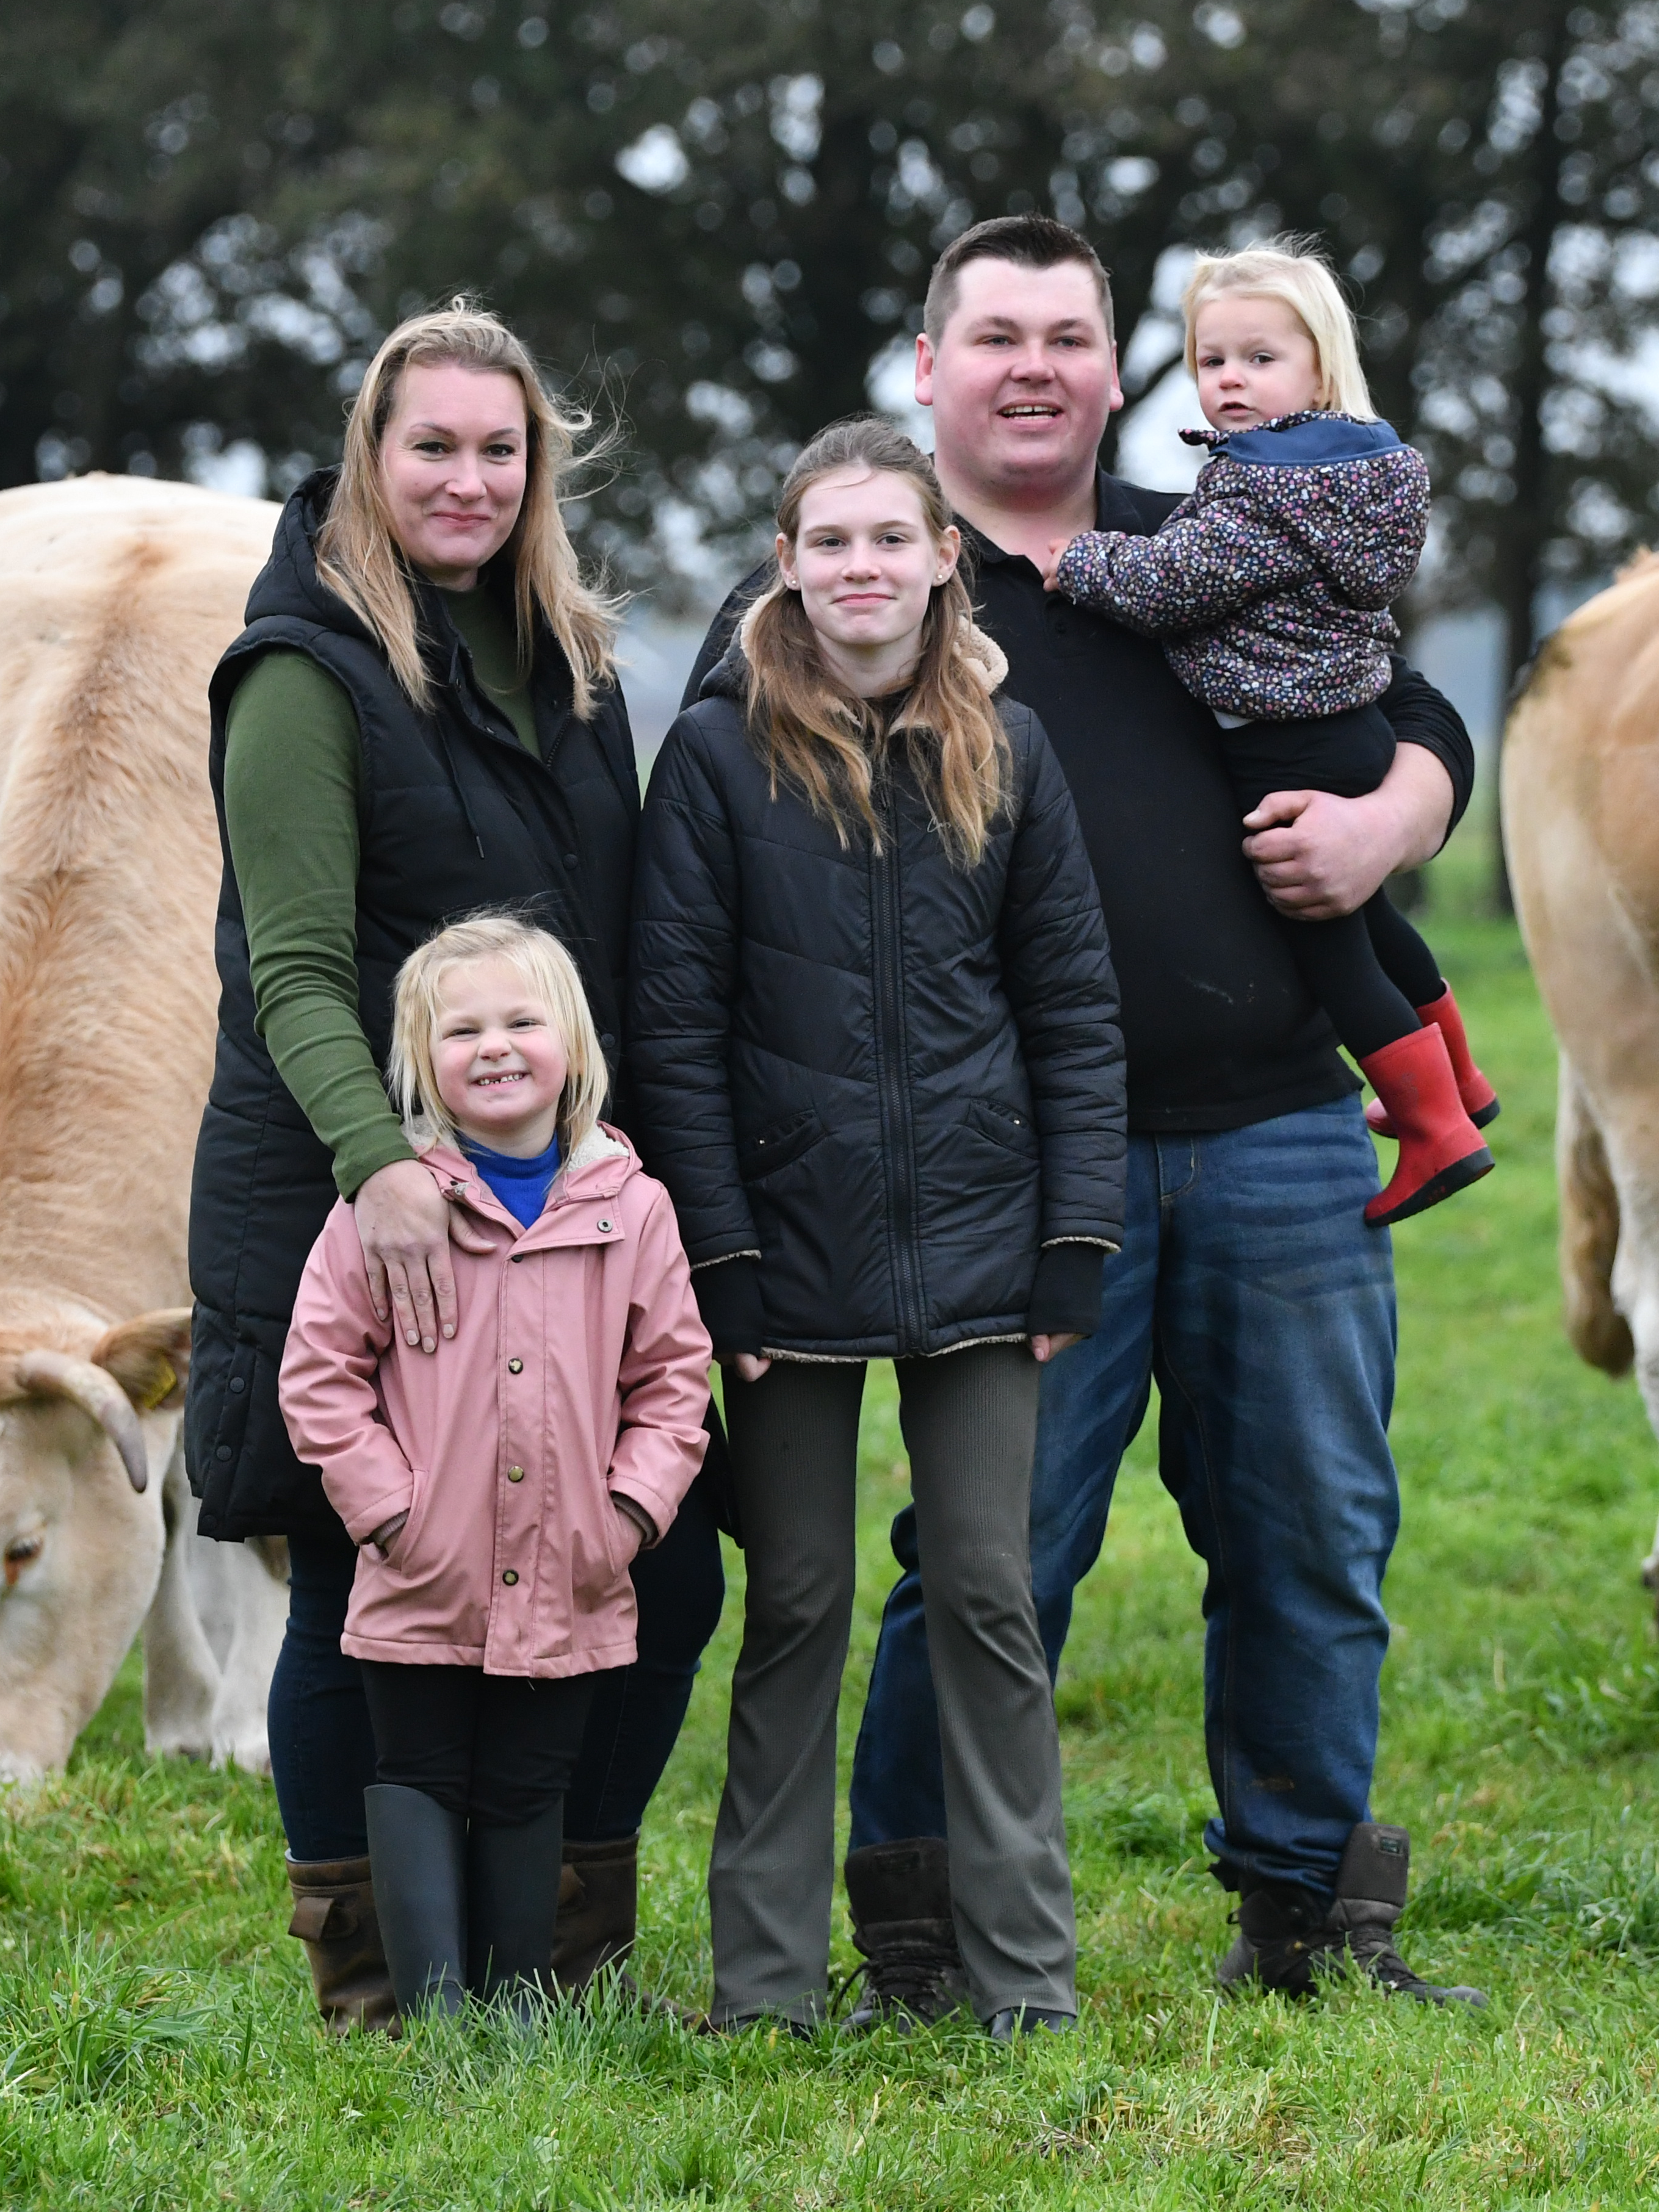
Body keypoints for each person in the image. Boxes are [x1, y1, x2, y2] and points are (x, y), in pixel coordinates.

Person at [684, 217, 1486, 2020]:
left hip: (1280, 1123)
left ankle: (1309, 1915)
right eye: (999, 337)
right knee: (990, 1558)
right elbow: (729, 829)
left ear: (1114, 366)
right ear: (927, 366)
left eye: (1070, 336)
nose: (1036, 367)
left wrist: (1396, 819)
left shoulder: (1205, 534)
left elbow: (1406, 696)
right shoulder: (875, 572)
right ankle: (917, 1932)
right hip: (1012, 1166)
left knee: (1311, 1534)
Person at [184, 301, 726, 2032]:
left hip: (547, 1202)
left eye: (503, 450)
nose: (470, 479)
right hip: (359, 1186)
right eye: (435, 446)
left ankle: (550, 1947)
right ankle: (378, 1978)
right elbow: (287, 966)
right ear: (371, 456)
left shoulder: (566, 661)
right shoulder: (303, 671)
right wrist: (381, 1169)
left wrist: (625, 1184)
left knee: (656, 1558)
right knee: (372, 1579)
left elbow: (610, 948)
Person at [626, 416, 1127, 2039]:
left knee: (990, 1591)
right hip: (779, 1261)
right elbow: (673, 1030)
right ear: (787, 566)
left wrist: (1076, 1236)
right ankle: (763, 1989)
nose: (861, 569)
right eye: (828, 543)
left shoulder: (1013, 746)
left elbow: (1070, 1007)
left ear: (938, 561)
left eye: (888, 541)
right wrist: (721, 1259)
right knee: (798, 1605)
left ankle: (1023, 1981)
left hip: (987, 1255)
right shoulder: (712, 756)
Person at [280, 917, 712, 2017]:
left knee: (531, 1784)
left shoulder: (633, 1206)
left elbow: (673, 1381)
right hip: (425, 1568)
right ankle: (432, 2017)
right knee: (422, 1772)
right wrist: (388, 1514)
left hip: (574, 1570)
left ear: (571, 1041)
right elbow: (320, 1372)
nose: (496, 1046)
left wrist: (627, 1516)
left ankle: (518, 2009)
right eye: (461, 1030)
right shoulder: (387, 1212)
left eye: (522, 1021)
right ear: (421, 1064)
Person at [1048, 238, 1498, 1227]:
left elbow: (1173, 583)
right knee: (1380, 925)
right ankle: (1460, 1081)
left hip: (1284, 743)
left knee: (1332, 950)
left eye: (1260, 360)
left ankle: (1434, 1133)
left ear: (1320, 369)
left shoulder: (1264, 490)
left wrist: (1078, 564)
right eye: (1213, 362)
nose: (1230, 382)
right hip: (1341, 725)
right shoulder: (1351, 478)